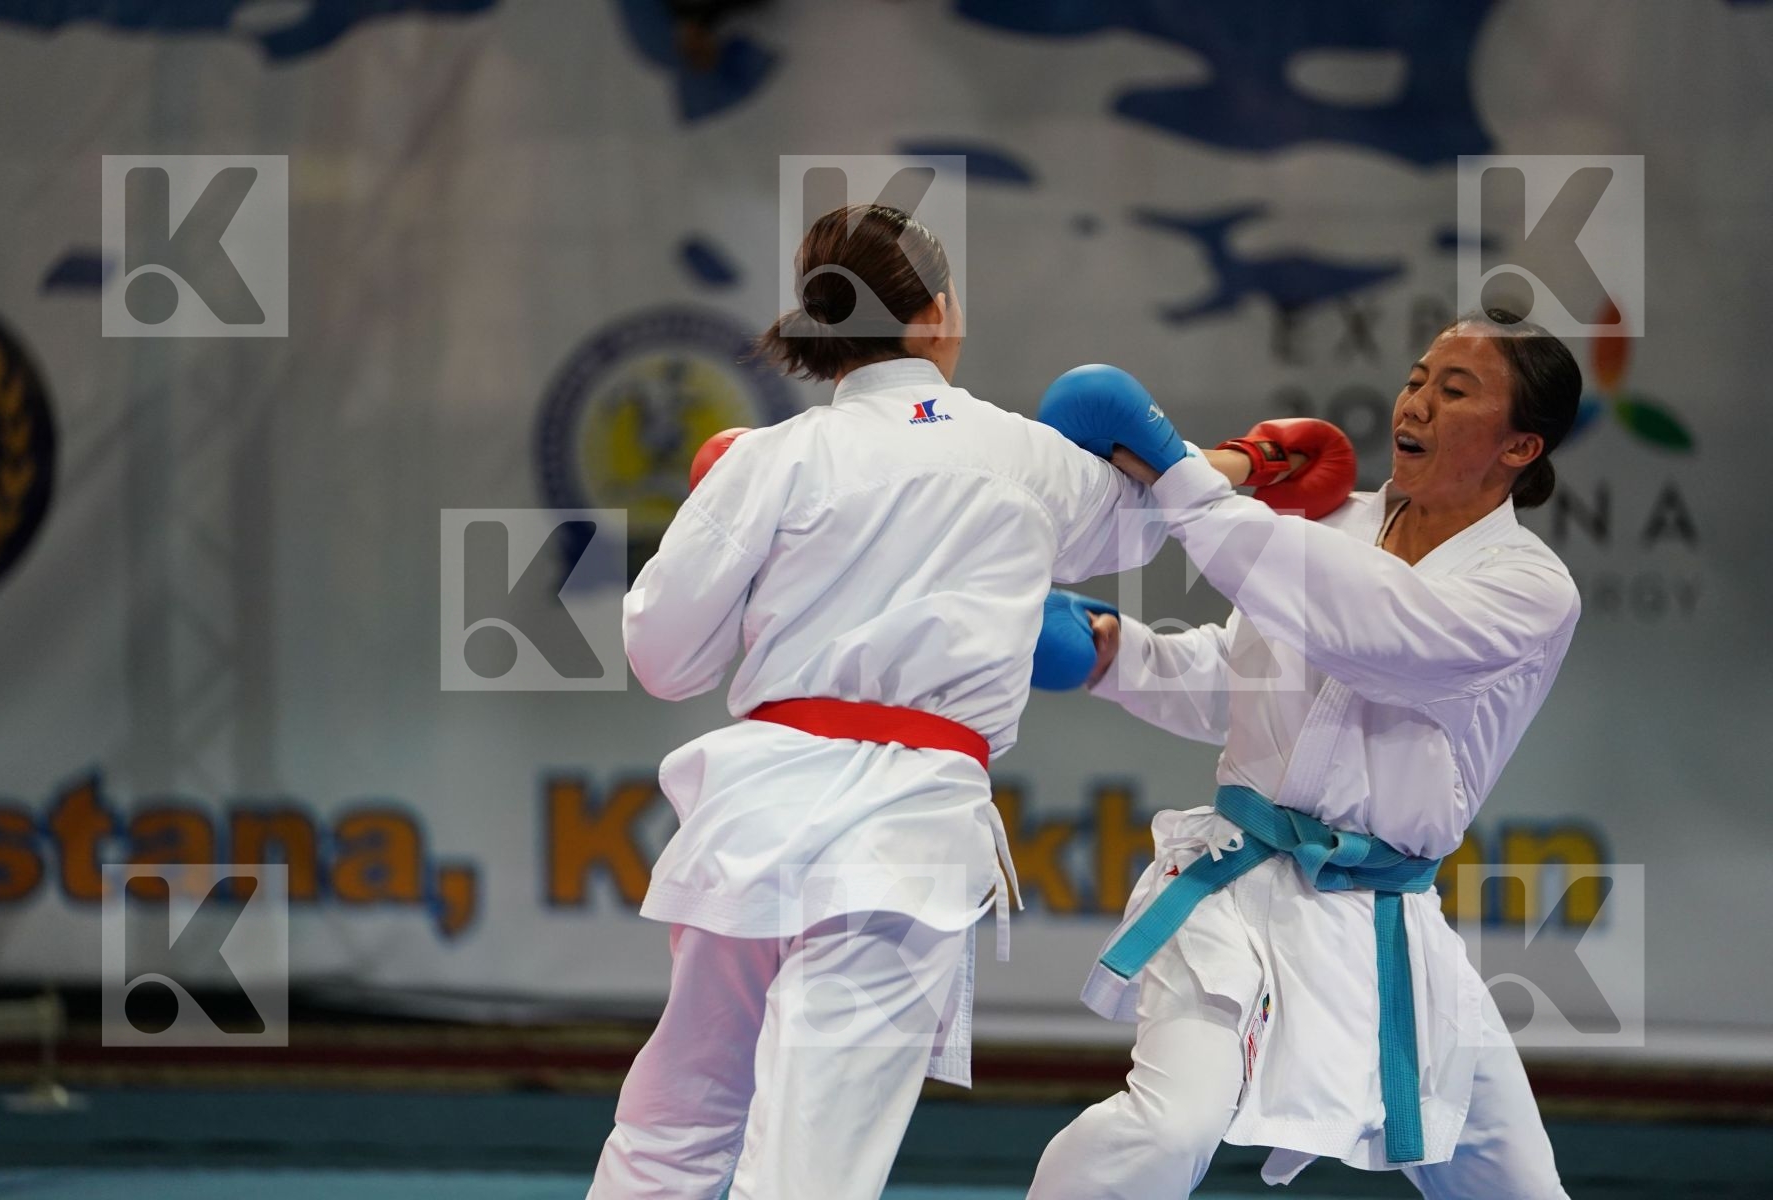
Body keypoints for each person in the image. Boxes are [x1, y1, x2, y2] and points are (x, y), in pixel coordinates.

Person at [587, 203, 1190, 1199]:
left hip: (753, 820)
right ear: (940, 313)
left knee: (678, 1122)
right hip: (898, 845)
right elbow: (1147, 524)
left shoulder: (770, 460)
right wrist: (1247, 462)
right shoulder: (1024, 457)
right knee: (811, 1164)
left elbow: (663, 659)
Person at [1027, 308, 1583, 1199]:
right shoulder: (1330, 528)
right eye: (1416, 379)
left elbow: (1375, 634)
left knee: (1515, 1185)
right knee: (1173, 1126)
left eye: (1455, 389)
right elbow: (1243, 684)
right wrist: (1116, 653)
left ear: (1520, 446)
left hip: (1390, 923)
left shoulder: (1530, 590)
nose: (1418, 402)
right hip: (1234, 887)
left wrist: (1186, 475)